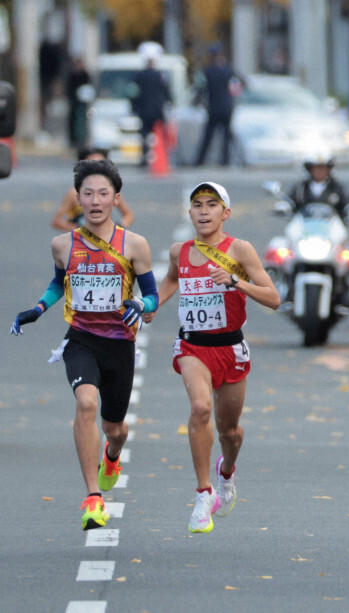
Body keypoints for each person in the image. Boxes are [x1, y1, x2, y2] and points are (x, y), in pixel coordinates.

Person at [11, 159, 158, 531]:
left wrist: (141, 305)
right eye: (88, 193)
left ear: (116, 199)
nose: (95, 201)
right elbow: (59, 283)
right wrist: (38, 308)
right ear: (77, 199)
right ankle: (93, 497)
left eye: (103, 194)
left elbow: (153, 294)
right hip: (81, 341)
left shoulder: (135, 245)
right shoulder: (63, 244)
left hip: (119, 345)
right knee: (85, 402)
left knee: (115, 428)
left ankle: (112, 455)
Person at [143, 182, 280, 533]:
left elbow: (273, 298)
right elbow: (171, 280)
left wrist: (236, 281)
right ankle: (203, 493)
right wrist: (151, 306)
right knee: (200, 408)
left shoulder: (240, 250)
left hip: (230, 347)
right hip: (193, 346)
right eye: (197, 205)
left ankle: (226, 472)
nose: (204, 211)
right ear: (189, 214)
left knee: (230, 431)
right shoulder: (180, 251)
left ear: (226, 213)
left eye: (212, 205)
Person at [52, 147, 135, 231]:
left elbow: (128, 215)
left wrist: (119, 227)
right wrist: (81, 232)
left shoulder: (111, 191)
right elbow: (57, 221)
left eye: (101, 164)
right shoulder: (73, 193)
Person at [194, 43, 242, 167]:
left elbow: (200, 88)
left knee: (208, 135)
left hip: (213, 107)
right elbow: (242, 81)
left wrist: (198, 102)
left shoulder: (208, 71)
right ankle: (225, 160)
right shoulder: (228, 70)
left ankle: (200, 160)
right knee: (226, 135)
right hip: (227, 106)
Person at [131, 46, 171, 167]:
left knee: (144, 135)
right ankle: (164, 156)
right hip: (158, 110)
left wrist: (134, 107)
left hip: (144, 110)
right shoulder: (160, 75)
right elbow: (166, 93)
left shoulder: (139, 76)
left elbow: (134, 93)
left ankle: (145, 157)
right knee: (161, 134)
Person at [287, 150, 349, 218]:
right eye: (316, 168)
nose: (320, 171)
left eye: (323, 168)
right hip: (304, 225)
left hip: (331, 225)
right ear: (310, 169)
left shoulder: (337, 187)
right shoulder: (301, 188)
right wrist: (285, 206)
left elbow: (347, 205)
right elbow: (291, 203)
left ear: (328, 170)